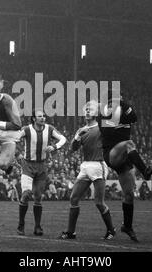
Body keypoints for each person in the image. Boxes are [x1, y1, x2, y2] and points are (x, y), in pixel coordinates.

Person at [98, 91, 152, 242]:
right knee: (129, 143)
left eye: (119, 101)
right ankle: (145, 171)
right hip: (111, 153)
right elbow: (107, 132)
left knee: (129, 195)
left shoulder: (123, 112)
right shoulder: (103, 114)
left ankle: (127, 226)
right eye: (112, 102)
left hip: (125, 156)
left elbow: (134, 117)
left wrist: (122, 103)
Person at [59, 101, 116, 240]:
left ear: (96, 113)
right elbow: (72, 149)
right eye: (86, 109)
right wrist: (77, 137)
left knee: (99, 202)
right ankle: (71, 232)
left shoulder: (102, 127)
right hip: (85, 166)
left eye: (91, 109)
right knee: (73, 198)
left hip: (98, 165)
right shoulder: (81, 130)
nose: (88, 111)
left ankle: (111, 230)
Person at [16, 110, 67, 236]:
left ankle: (37, 227)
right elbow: (13, 139)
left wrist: (55, 147)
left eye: (44, 116)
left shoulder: (49, 129)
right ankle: (21, 225)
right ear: (33, 118)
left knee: (38, 197)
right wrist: (17, 154)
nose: (43, 118)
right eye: (40, 116)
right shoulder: (27, 129)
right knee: (26, 194)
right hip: (27, 165)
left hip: (42, 167)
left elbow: (63, 139)